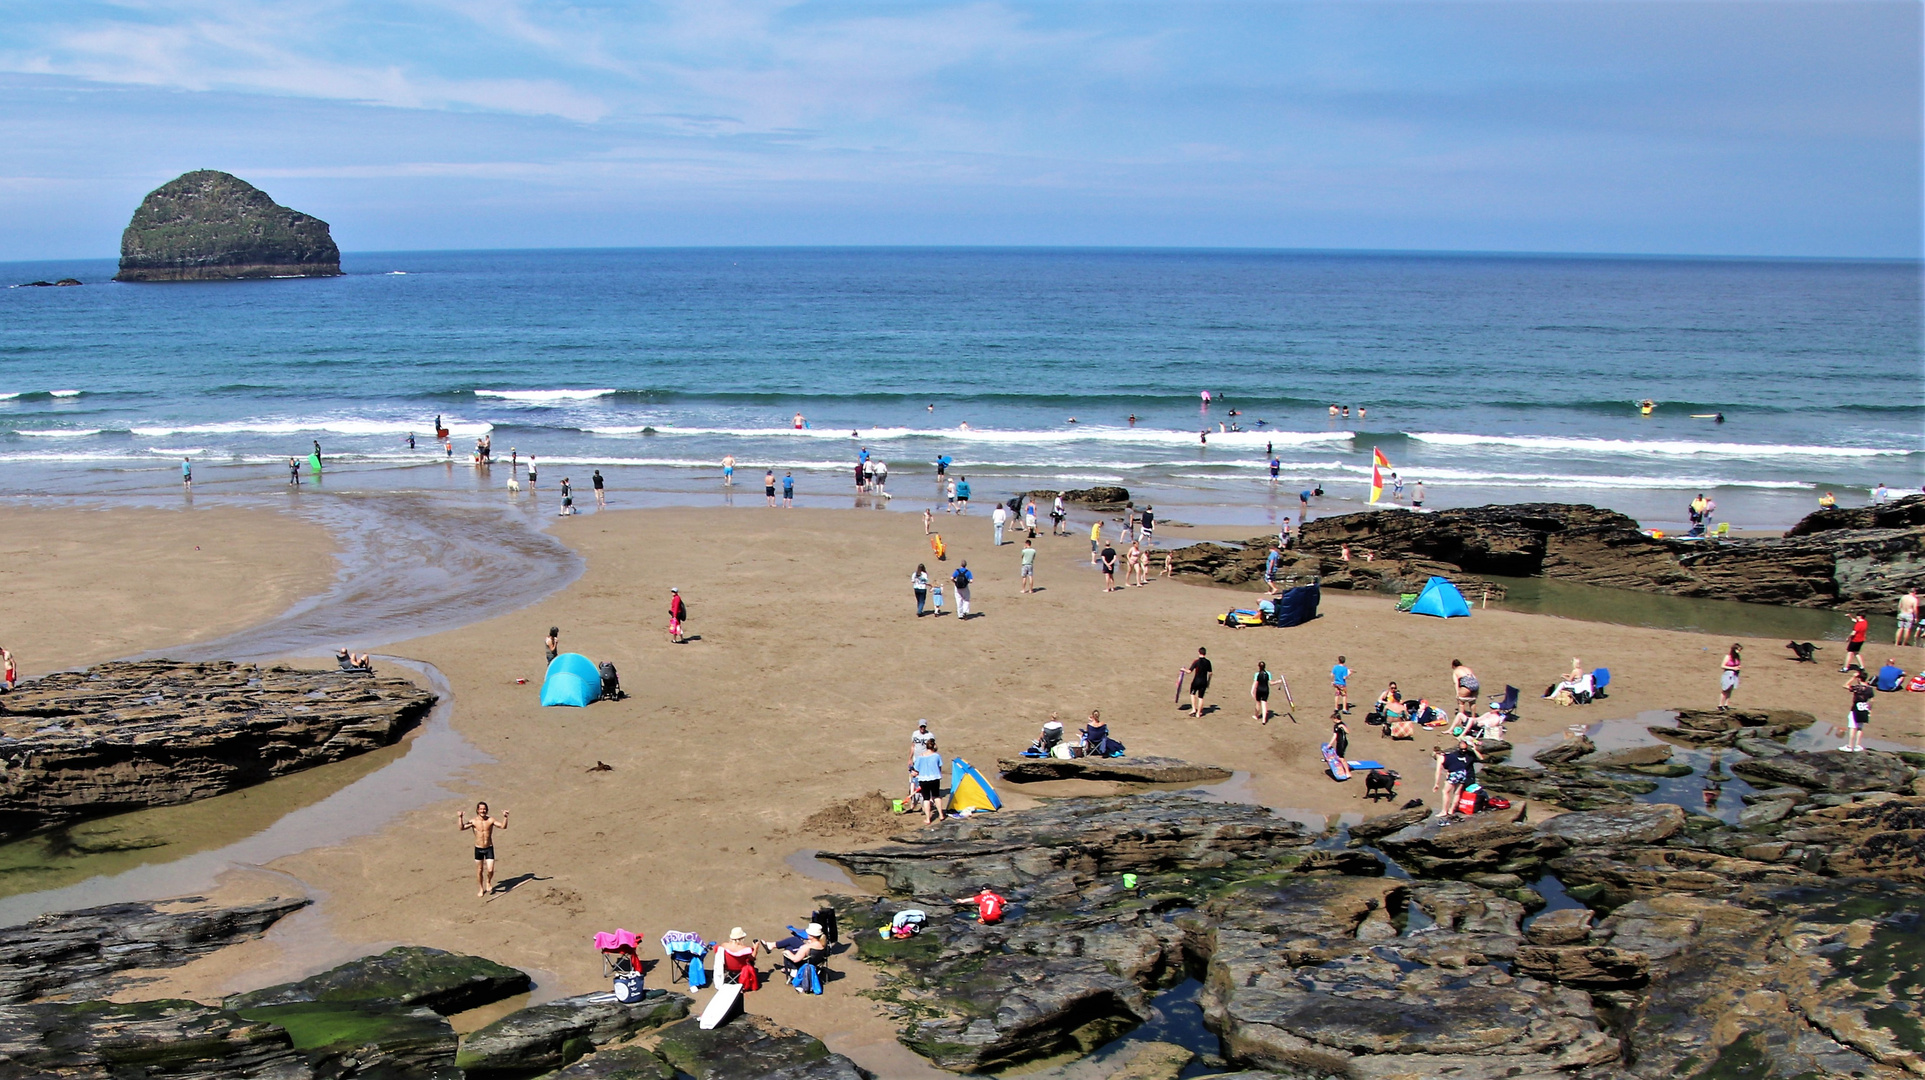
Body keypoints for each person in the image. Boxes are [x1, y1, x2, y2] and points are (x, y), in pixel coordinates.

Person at [458, 802, 509, 897]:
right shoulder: (473, 821)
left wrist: (505, 817)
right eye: (481, 809)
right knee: (479, 870)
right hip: (478, 849)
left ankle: (488, 881)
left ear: (487, 810)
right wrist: (460, 818)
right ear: (477, 810)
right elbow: (462, 828)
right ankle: (481, 888)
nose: (483, 810)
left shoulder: (491, 820)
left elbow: (503, 826)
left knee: (490, 869)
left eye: (484, 809)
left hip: (489, 848)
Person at [780, 924, 830, 990]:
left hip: (804, 964)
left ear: (811, 936)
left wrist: (787, 952)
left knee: (788, 949)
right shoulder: (823, 943)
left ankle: (793, 971)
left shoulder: (807, 947)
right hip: (817, 961)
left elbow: (795, 959)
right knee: (792, 943)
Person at [912, 741, 945, 823]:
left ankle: (928, 818)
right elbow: (939, 767)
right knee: (936, 796)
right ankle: (941, 815)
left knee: (926, 799)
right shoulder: (937, 756)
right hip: (935, 778)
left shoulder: (920, 757)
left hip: (923, 779)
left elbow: (916, 769)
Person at [1843, 670, 1874, 752]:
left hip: (1855, 708)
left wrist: (1853, 677)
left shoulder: (1857, 687)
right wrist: (1870, 709)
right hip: (1864, 708)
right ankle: (1858, 745)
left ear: (1859, 679)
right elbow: (1872, 700)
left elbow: (1845, 685)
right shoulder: (1870, 689)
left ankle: (1850, 746)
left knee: (1852, 727)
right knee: (1860, 728)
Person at [1187, 646, 1212, 717]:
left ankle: (1194, 709)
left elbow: (1189, 671)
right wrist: (1208, 682)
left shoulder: (1196, 662)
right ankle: (1198, 714)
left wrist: (1183, 669)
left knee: (1192, 693)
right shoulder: (1208, 662)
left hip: (1196, 681)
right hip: (1204, 681)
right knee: (1201, 697)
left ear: (1199, 652)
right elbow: (1210, 673)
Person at [1718, 644, 1742, 711]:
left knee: (1730, 689)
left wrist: (1738, 668)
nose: (1739, 651)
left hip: (1734, 674)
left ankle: (1726, 704)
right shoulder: (1728, 657)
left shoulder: (1737, 657)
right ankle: (1720, 705)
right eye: (1738, 650)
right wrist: (1733, 668)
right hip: (1728, 674)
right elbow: (1722, 666)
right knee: (1725, 689)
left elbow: (1738, 664)